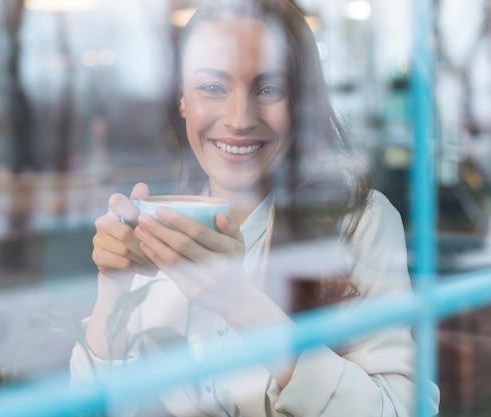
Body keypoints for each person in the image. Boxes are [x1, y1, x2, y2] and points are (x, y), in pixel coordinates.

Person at [70, 0, 441, 415]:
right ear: (182, 101)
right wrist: (113, 290)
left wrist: (240, 302)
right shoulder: (157, 224)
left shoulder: (360, 223)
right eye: (212, 87)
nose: (239, 118)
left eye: (268, 89)